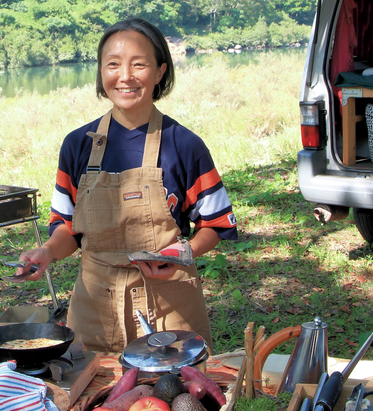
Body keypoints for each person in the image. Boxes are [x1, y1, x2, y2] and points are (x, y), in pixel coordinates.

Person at [18, 18, 238, 354]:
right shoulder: (77, 145)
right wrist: (47, 251)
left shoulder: (184, 145)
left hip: (170, 312)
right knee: (91, 398)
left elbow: (215, 223)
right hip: (94, 309)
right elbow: (67, 229)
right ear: (101, 71)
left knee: (176, 400)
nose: (125, 76)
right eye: (113, 64)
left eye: (139, 64)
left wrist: (184, 254)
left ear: (160, 71)